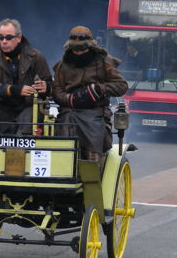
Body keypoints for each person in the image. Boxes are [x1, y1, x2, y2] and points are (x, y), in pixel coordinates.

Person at [52, 26, 128, 162]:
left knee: (94, 133)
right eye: (75, 50)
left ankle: (93, 165)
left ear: (90, 47)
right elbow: (56, 90)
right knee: (64, 126)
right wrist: (70, 99)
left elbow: (121, 86)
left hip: (95, 112)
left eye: (82, 49)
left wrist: (98, 89)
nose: (78, 53)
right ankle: (63, 166)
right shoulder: (62, 65)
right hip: (69, 111)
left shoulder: (104, 62)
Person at [0, 18, 52, 134]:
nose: (4, 41)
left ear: (19, 38)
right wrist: (13, 90)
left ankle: (23, 149)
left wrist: (46, 87)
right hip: (1, 108)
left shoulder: (36, 58)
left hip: (29, 108)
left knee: (30, 120)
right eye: (1, 38)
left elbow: (50, 86)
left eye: (8, 38)